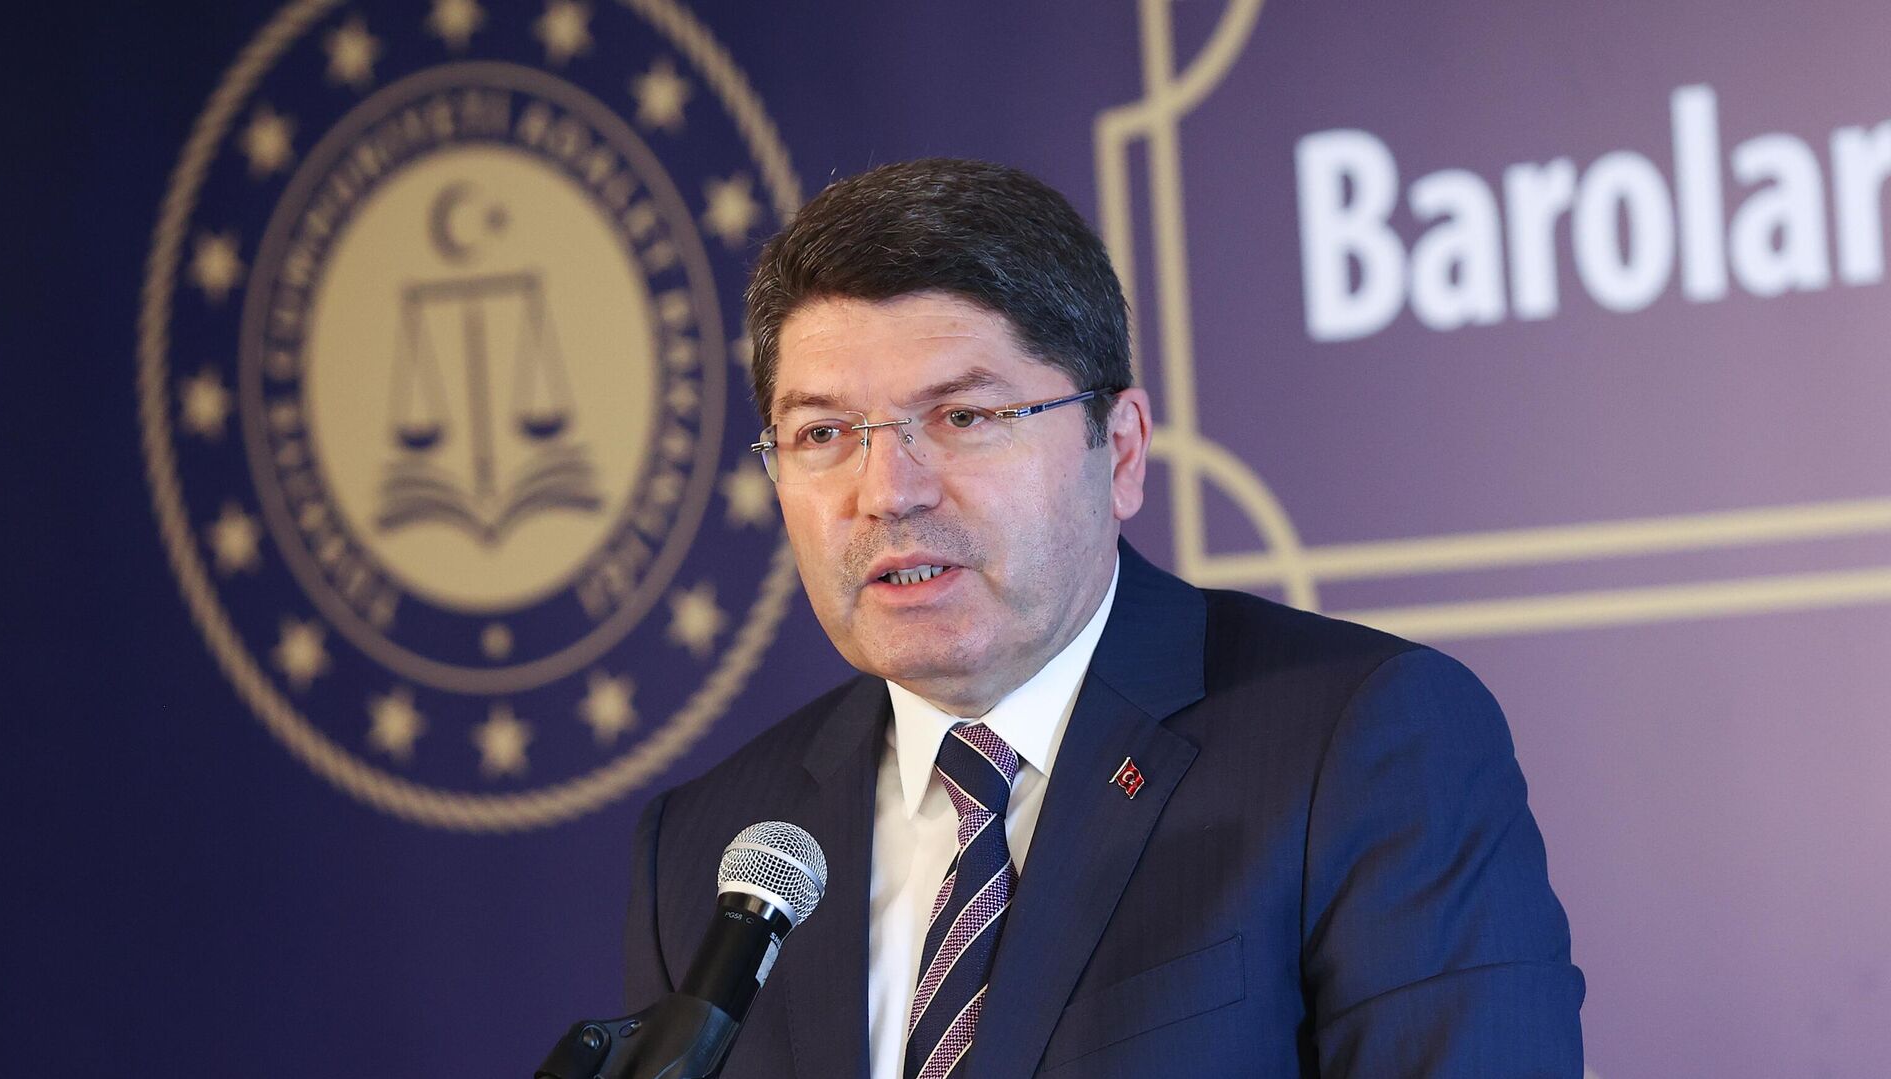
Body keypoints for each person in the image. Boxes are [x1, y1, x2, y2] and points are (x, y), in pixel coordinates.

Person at [623, 158, 1584, 1078]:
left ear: (1119, 450)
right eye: (824, 433)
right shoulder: (713, 850)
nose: (887, 492)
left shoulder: (1359, 745)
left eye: (963, 417)